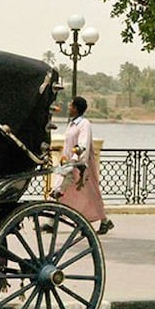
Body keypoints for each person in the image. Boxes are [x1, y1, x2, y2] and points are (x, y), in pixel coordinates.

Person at [51, 96, 114, 234]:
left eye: (71, 106)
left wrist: (75, 158)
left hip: (81, 165)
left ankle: (104, 221)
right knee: (59, 189)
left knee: (91, 193)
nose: (69, 108)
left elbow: (82, 144)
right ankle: (52, 221)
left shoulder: (84, 124)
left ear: (76, 108)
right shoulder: (72, 124)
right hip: (68, 163)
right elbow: (68, 143)